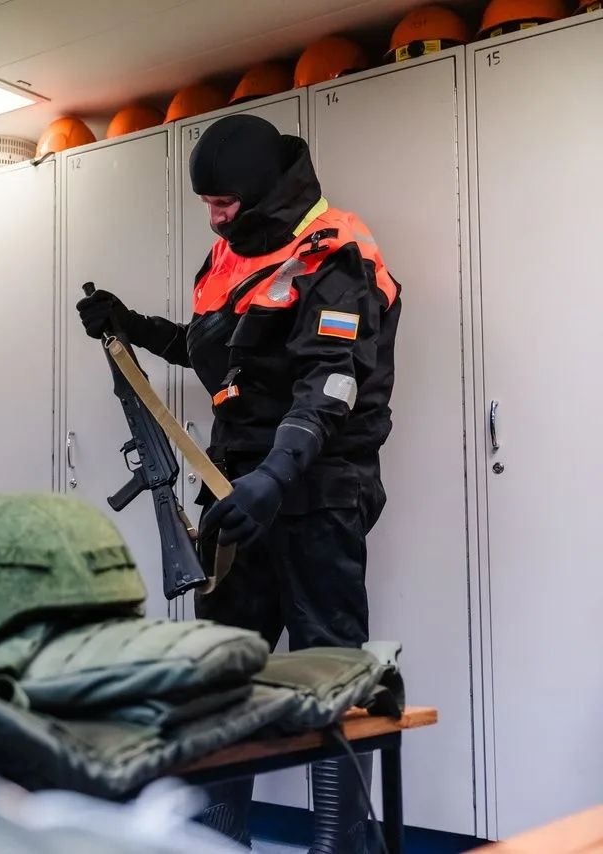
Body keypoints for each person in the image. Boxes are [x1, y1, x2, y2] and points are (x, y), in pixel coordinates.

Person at [76, 113, 401, 853]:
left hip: (315, 492)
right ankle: (220, 840)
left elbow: (330, 385)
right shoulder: (229, 255)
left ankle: (338, 843)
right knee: (221, 668)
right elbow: (215, 354)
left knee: (329, 670)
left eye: (223, 203)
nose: (214, 217)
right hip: (234, 488)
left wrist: (274, 478)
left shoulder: (336, 254)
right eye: (208, 205)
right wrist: (128, 324)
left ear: (257, 191)